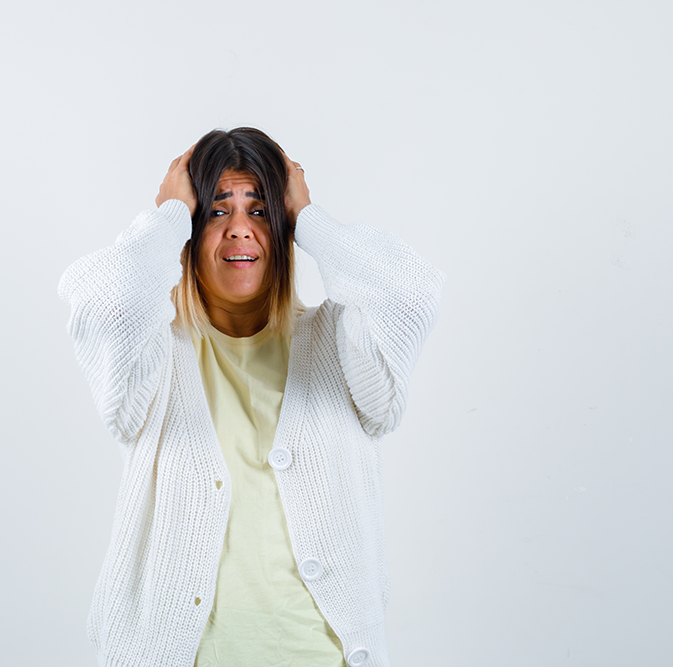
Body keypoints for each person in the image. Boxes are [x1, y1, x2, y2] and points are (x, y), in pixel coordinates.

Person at [58, 127, 445, 667]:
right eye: (216, 212)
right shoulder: (152, 355)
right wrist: (167, 214)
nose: (240, 230)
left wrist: (309, 218)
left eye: (260, 211)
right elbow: (106, 302)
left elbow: (410, 292)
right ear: (190, 231)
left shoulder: (341, 344)